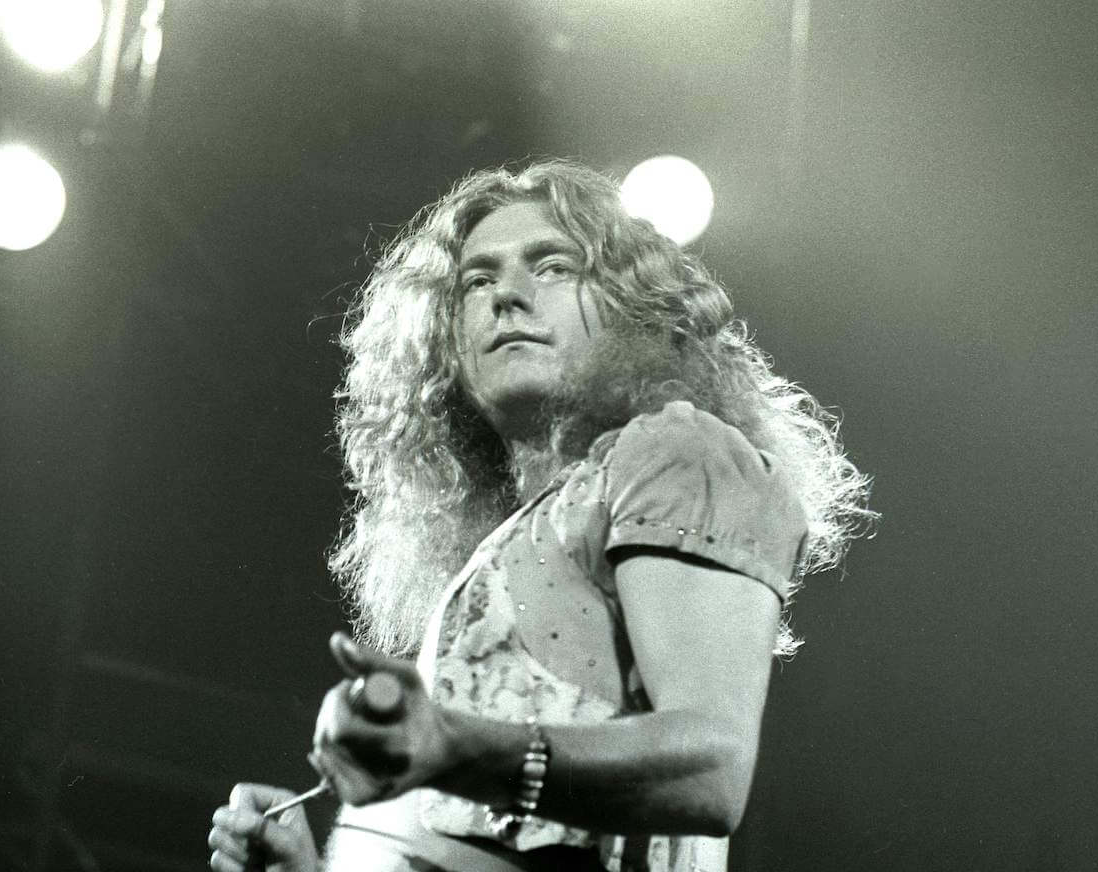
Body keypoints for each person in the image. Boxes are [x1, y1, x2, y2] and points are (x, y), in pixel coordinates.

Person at [207, 160, 875, 872]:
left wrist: (454, 747)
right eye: (477, 280)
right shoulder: (514, 535)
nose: (507, 297)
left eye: (552, 267)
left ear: (632, 304)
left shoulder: (675, 451)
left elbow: (710, 771)